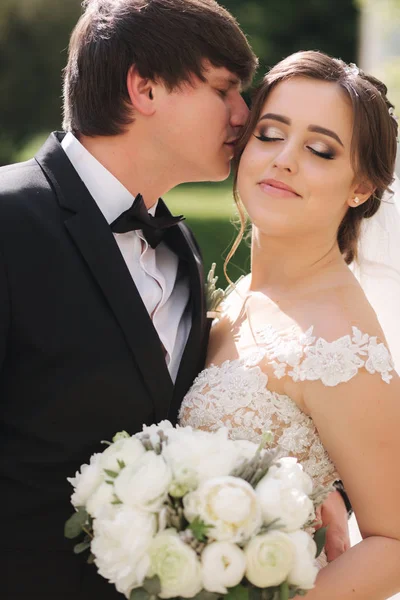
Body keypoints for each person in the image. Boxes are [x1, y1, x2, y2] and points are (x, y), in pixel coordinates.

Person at [0, 1, 257, 598]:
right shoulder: (7, 219)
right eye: (225, 89)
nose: (244, 115)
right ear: (144, 87)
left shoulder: (183, 250)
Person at [180, 50, 400, 599]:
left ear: (361, 187)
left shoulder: (339, 344)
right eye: (270, 134)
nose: (283, 160)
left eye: (320, 150)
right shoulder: (238, 298)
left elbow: (393, 541)